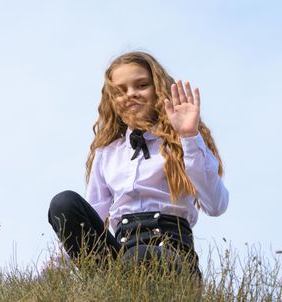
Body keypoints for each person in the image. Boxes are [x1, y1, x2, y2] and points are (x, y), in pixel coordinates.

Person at [48, 51, 228, 275]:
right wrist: (52, 270)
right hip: (120, 257)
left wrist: (189, 136)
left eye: (141, 85)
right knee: (64, 203)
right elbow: (94, 214)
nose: (131, 94)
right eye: (120, 91)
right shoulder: (106, 154)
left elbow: (216, 205)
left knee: (139, 256)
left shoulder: (184, 143)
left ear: (158, 89)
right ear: (112, 100)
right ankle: (108, 285)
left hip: (171, 257)